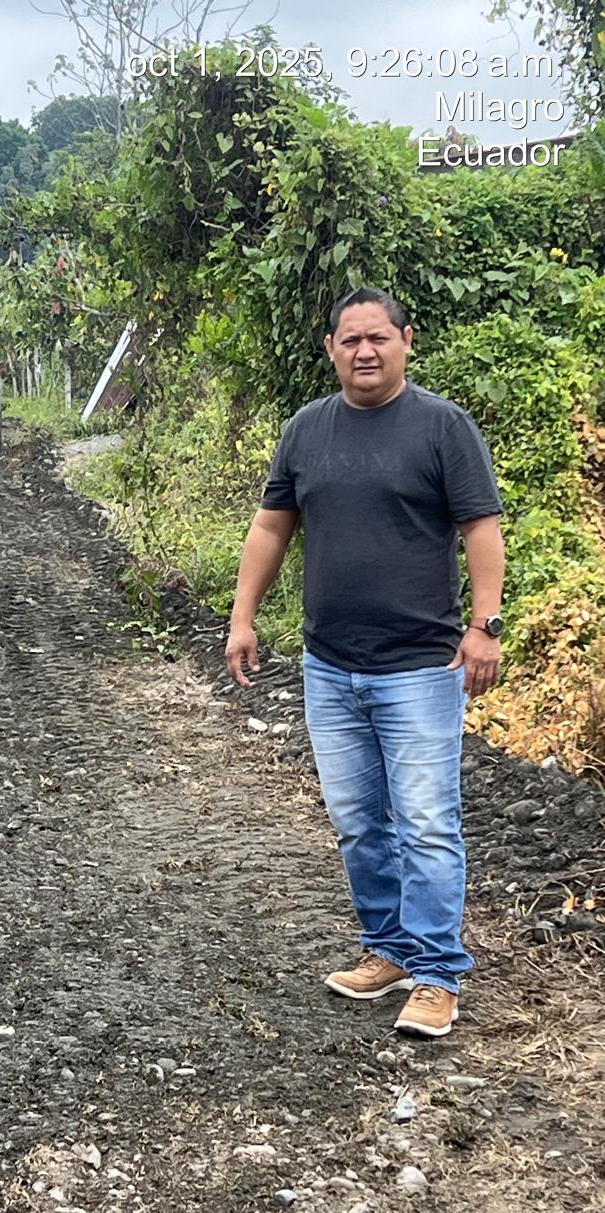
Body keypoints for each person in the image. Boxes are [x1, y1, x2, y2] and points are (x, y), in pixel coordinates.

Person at [225, 287, 505, 1039]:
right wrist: (243, 617)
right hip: (330, 666)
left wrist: (484, 626)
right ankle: (389, 948)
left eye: (378, 337)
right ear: (331, 350)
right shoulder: (306, 429)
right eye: (350, 340)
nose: (365, 351)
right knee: (356, 823)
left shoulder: (442, 427)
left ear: (406, 341)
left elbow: (481, 527)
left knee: (427, 824)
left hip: (420, 668)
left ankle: (438, 975)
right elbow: (271, 527)